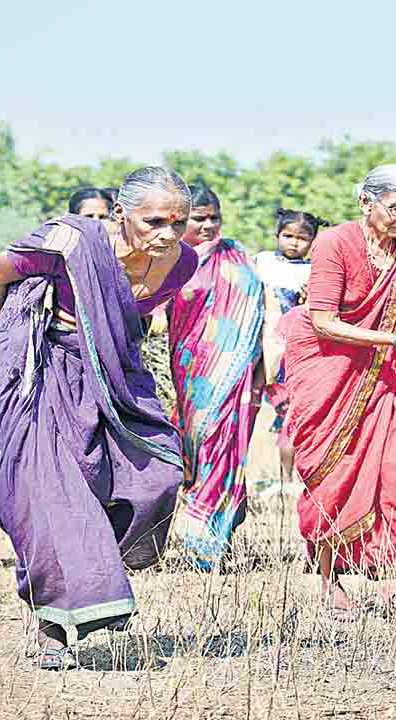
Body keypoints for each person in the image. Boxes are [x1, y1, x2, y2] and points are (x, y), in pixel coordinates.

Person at [0, 166, 198, 668]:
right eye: (154, 222)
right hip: (50, 373)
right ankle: (52, 634)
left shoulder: (182, 263)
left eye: (178, 222)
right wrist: (19, 331)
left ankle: (97, 566)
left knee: (159, 475)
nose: (168, 234)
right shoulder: (70, 243)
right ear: (121, 215)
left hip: (117, 376)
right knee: (55, 501)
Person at [284, 164, 396, 616]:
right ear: (366, 202)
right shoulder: (335, 242)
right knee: (334, 475)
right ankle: (328, 580)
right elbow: (324, 321)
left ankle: (387, 576)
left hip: (391, 373)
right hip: (330, 371)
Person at [166, 183, 266, 568]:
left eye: (214, 218)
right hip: (189, 375)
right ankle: (193, 528)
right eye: (199, 218)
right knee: (194, 447)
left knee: (226, 446)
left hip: (235, 374)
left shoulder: (238, 257)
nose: (208, 225)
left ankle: (209, 539)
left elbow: (256, 309)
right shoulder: (170, 259)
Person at [255, 208, 325, 496]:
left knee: (295, 416)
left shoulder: (315, 270)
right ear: (277, 236)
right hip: (266, 349)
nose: (294, 243)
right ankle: (276, 478)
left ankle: (292, 479)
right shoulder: (263, 262)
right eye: (288, 236)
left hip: (300, 353)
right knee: (267, 409)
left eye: (302, 238)